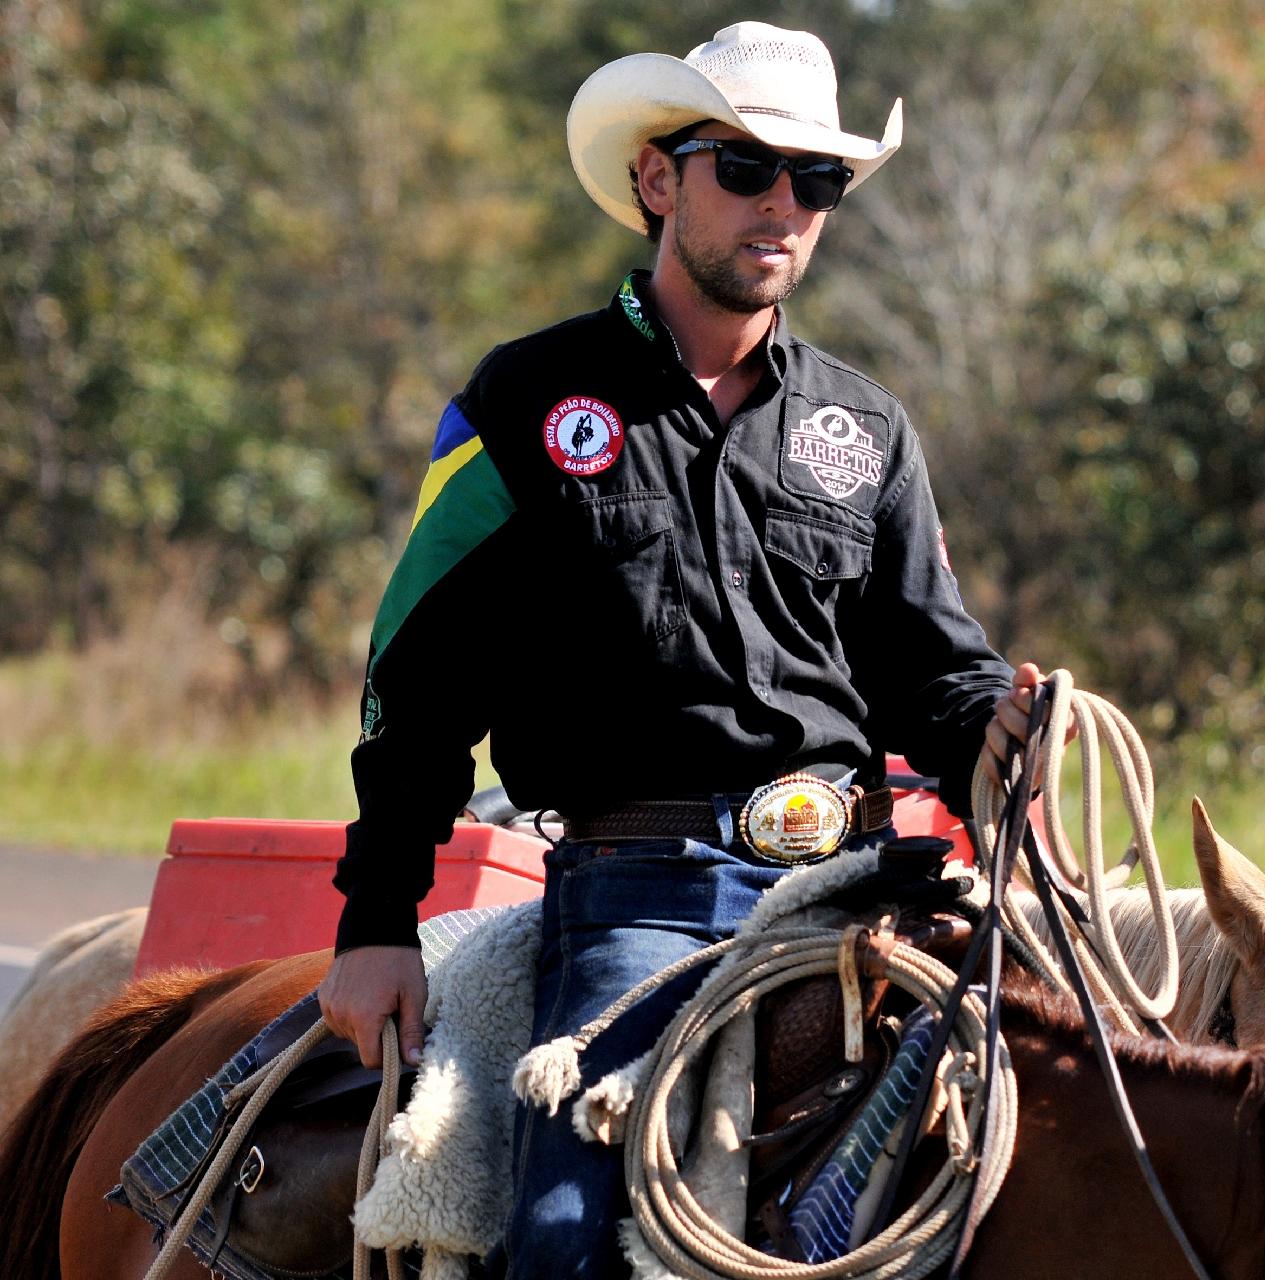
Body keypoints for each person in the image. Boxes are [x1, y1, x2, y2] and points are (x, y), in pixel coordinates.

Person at [316, 20, 1053, 1278]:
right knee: (558, 1241)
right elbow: (418, 678)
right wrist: (377, 915)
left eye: (815, 182)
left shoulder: (867, 427)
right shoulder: (526, 403)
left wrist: (1002, 723)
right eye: (746, 169)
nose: (784, 206)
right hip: (638, 891)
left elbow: (933, 668)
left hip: (857, 881)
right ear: (659, 181)